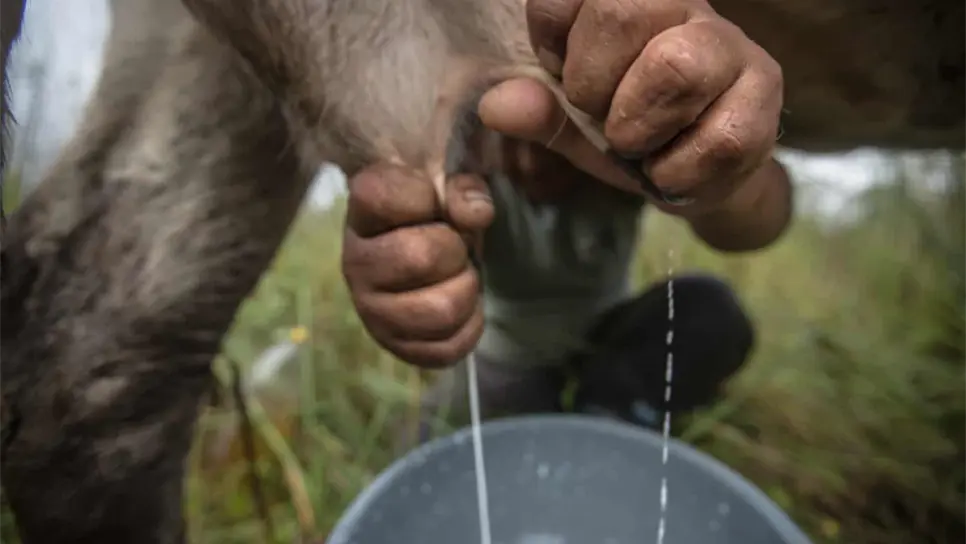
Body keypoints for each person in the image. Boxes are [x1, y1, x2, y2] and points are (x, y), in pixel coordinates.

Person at [340, 0, 793, 447]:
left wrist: (717, 159)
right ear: (479, 134)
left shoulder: (617, 165)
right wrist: (401, 263)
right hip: (507, 358)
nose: (533, 159)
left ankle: (613, 418)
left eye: (550, 141)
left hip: (609, 338)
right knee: (422, 446)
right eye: (511, 140)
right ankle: (589, 418)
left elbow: (762, 219)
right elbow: (411, 247)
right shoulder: (464, 176)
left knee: (712, 310)